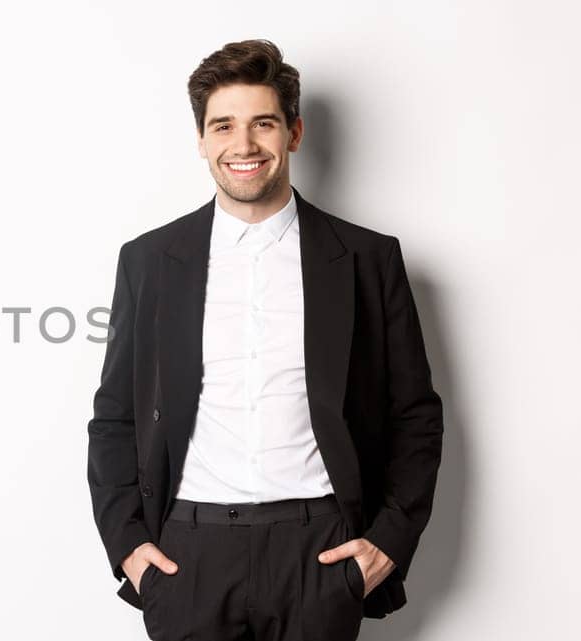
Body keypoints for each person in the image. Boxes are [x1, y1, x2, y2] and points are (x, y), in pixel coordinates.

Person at [85, 39, 444, 640]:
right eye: (223, 125)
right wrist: (128, 545)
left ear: (294, 133)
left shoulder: (366, 259)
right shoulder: (149, 261)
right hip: (188, 558)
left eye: (263, 123)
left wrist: (388, 539)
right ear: (201, 140)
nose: (243, 145)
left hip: (320, 555)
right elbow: (115, 417)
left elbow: (415, 416)